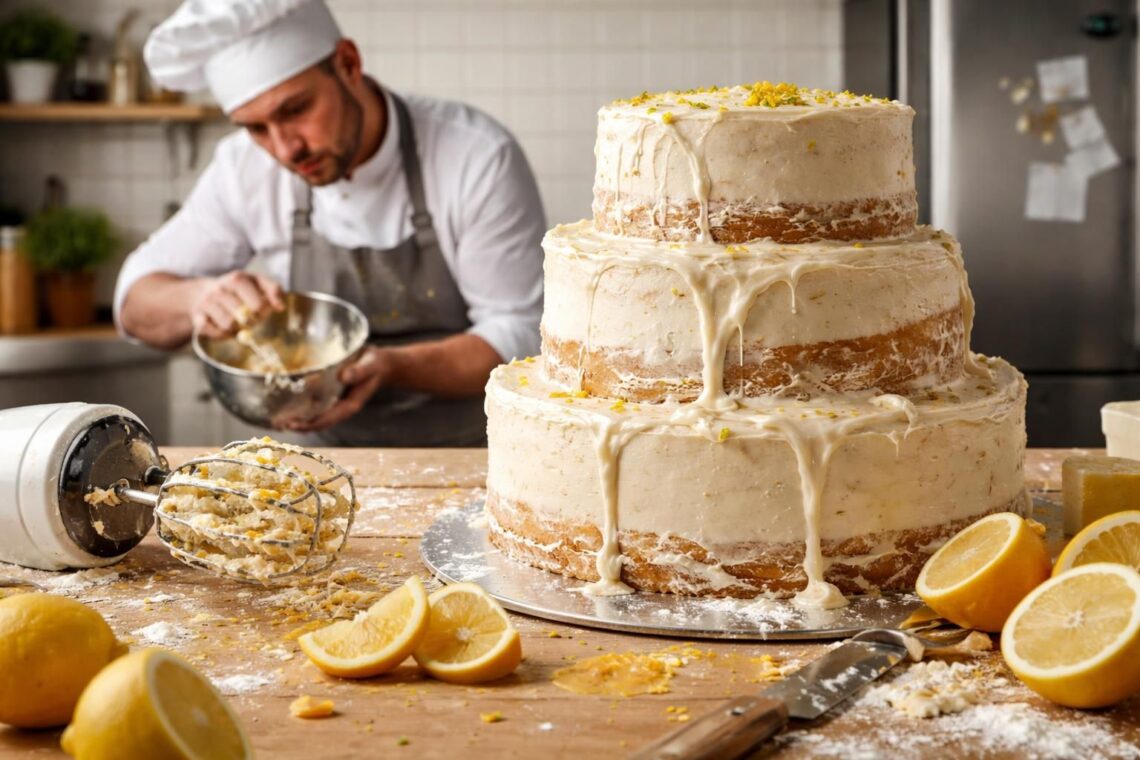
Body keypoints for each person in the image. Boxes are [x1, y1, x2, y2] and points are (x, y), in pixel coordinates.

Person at [115, 0, 545, 447]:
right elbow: (133, 301)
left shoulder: (475, 156)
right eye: (256, 128)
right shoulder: (243, 169)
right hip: (324, 469)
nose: (285, 149)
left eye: (296, 109)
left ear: (348, 64)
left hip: (469, 456)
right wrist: (197, 298)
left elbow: (520, 333)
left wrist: (392, 367)